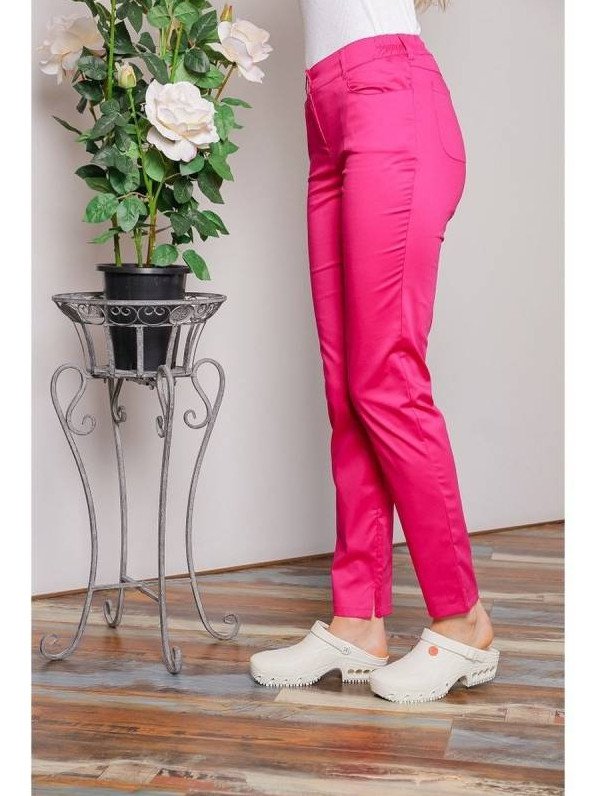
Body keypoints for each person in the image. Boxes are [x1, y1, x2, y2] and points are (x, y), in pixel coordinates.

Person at [250, 0, 499, 703]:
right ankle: (357, 620)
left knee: (385, 380)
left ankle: (464, 619)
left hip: (389, 97)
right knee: (347, 390)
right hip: (327, 112)